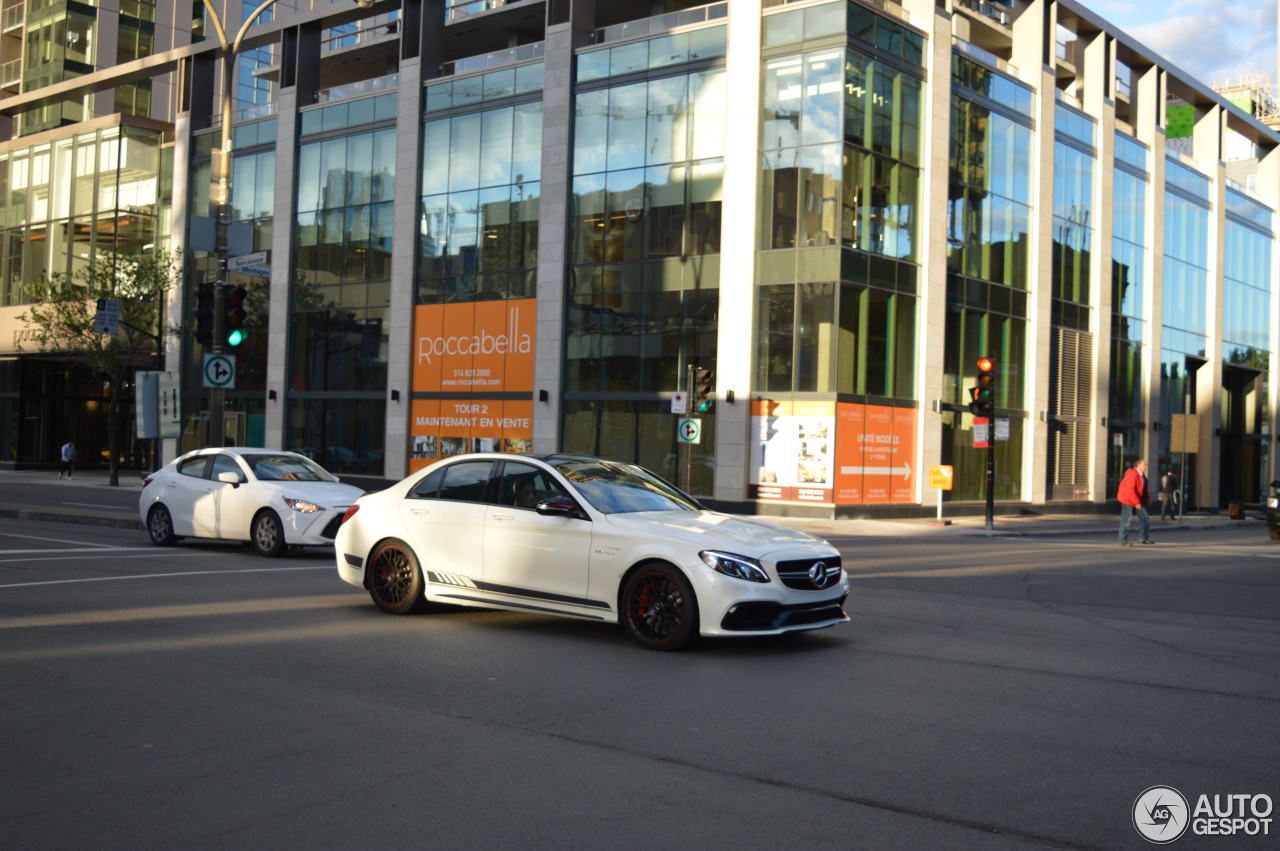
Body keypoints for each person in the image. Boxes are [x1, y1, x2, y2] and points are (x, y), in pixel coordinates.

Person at [1118, 457, 1153, 545]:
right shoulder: (1132, 474)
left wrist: (1147, 501)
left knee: (1145, 518)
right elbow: (1130, 490)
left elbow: (1143, 491)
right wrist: (1136, 502)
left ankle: (1143, 538)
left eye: (1146, 465)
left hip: (1137, 500)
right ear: (1138, 465)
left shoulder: (1143, 477)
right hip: (1127, 499)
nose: (1146, 467)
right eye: (1145, 465)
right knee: (1126, 520)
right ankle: (1122, 540)